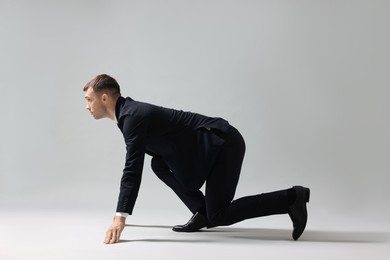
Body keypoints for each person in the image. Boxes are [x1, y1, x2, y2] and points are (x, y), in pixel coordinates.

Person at [83, 74, 310, 244]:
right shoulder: (127, 115)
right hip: (204, 151)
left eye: (89, 100)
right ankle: (201, 212)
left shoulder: (132, 117)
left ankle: (291, 198)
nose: (87, 106)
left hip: (222, 144)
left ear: (104, 97)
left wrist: (119, 217)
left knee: (220, 215)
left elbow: (132, 169)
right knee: (158, 164)